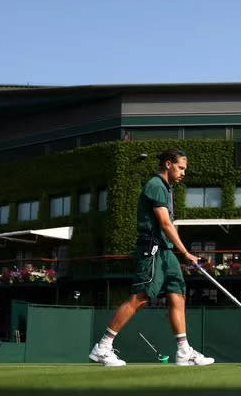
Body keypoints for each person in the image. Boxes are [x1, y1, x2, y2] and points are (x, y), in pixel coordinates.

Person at [89, 148, 214, 367]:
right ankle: (103, 347)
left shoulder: (167, 188)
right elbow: (165, 224)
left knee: (177, 295)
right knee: (141, 297)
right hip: (153, 250)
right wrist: (185, 253)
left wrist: (177, 253)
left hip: (167, 253)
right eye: (181, 167)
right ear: (168, 164)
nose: (184, 172)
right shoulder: (156, 185)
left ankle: (184, 351)